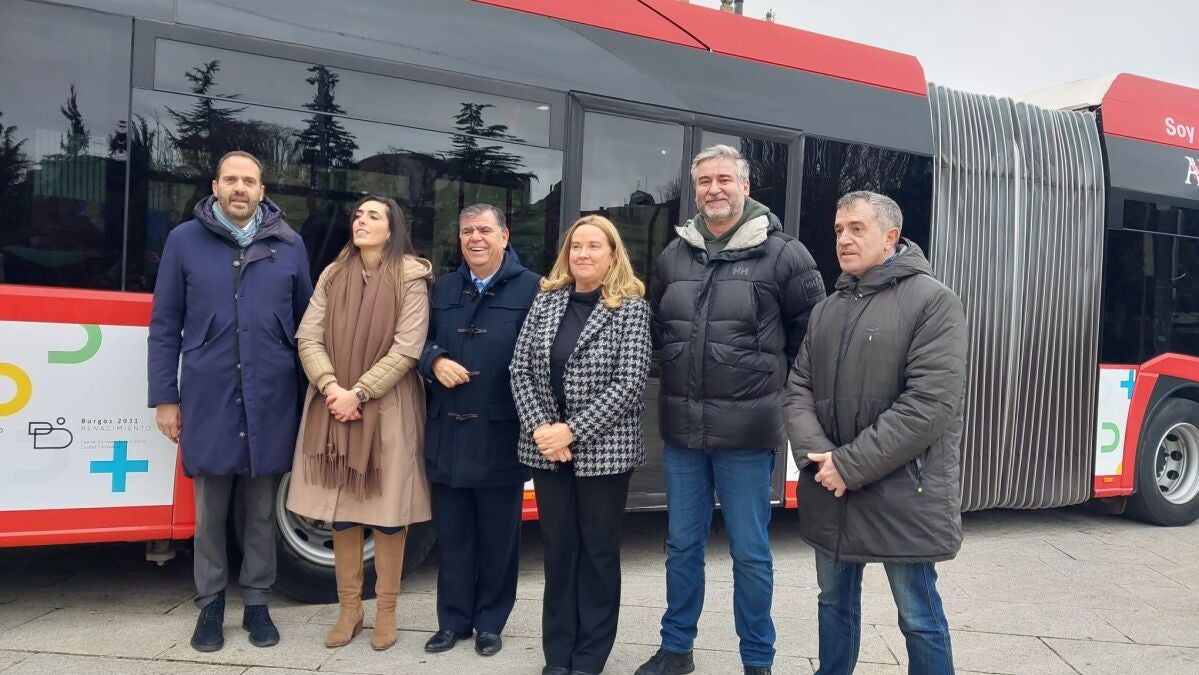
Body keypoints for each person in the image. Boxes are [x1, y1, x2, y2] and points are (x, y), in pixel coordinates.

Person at [638, 145, 825, 675]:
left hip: (748, 433)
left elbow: (812, 340)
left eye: (724, 179)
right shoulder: (674, 255)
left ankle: (757, 660)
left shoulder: (785, 255)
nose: (713, 189)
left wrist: (780, 393)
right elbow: (656, 328)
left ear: (745, 186)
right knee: (681, 546)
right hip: (682, 432)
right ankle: (676, 649)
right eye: (704, 181)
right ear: (694, 189)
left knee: (750, 552)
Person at [784, 191, 967, 675]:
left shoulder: (934, 301)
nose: (843, 240)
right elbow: (798, 389)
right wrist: (821, 458)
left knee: (917, 616)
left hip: (902, 493)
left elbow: (929, 405)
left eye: (856, 229)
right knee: (833, 603)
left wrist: (847, 465)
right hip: (831, 489)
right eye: (838, 230)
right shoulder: (827, 308)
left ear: (890, 237)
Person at [148, 150, 312, 652]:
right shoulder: (184, 240)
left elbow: (308, 327)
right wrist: (165, 398)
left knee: (262, 511)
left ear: (262, 191)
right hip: (209, 396)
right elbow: (165, 325)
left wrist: (311, 397)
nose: (241, 188)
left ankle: (258, 602)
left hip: (272, 396)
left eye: (250, 181)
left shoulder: (289, 245)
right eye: (231, 179)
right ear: (215, 187)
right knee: (210, 512)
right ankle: (211, 603)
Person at [286, 195, 434, 651]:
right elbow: (308, 336)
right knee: (342, 513)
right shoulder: (333, 274)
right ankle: (349, 610)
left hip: (387, 409)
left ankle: (386, 611)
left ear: (392, 229)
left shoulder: (412, 276)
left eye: (373, 216)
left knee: (388, 518)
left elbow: (407, 349)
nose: (361, 221)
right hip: (334, 406)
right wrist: (332, 387)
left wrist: (360, 392)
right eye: (357, 215)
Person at [510, 215, 652, 675]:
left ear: (612, 255)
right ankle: (558, 655)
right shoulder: (546, 299)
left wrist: (571, 431)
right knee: (558, 549)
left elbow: (629, 383)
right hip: (547, 451)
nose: (583, 254)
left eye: (594, 246)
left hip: (604, 453)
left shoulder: (630, 308)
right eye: (576, 246)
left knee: (598, 553)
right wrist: (542, 429)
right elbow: (520, 370)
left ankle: (590, 655)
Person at [418, 204, 540, 657]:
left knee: (498, 540)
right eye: (467, 230)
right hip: (447, 432)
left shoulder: (534, 288)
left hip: (500, 433)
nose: (476, 238)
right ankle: (452, 621)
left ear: (504, 236)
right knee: (452, 537)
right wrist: (434, 360)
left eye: (485, 230)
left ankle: (490, 622)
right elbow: (413, 339)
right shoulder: (442, 288)